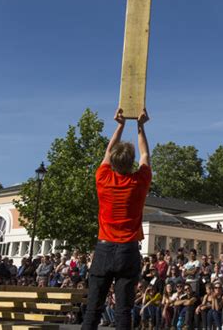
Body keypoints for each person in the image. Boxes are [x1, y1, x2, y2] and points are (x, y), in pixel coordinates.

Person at [81, 108, 152, 330]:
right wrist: (141, 126)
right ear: (131, 163)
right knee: (123, 310)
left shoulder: (103, 178)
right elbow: (145, 156)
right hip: (127, 250)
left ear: (112, 162)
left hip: (103, 249)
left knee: (93, 308)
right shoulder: (138, 182)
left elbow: (108, 151)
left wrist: (120, 125)